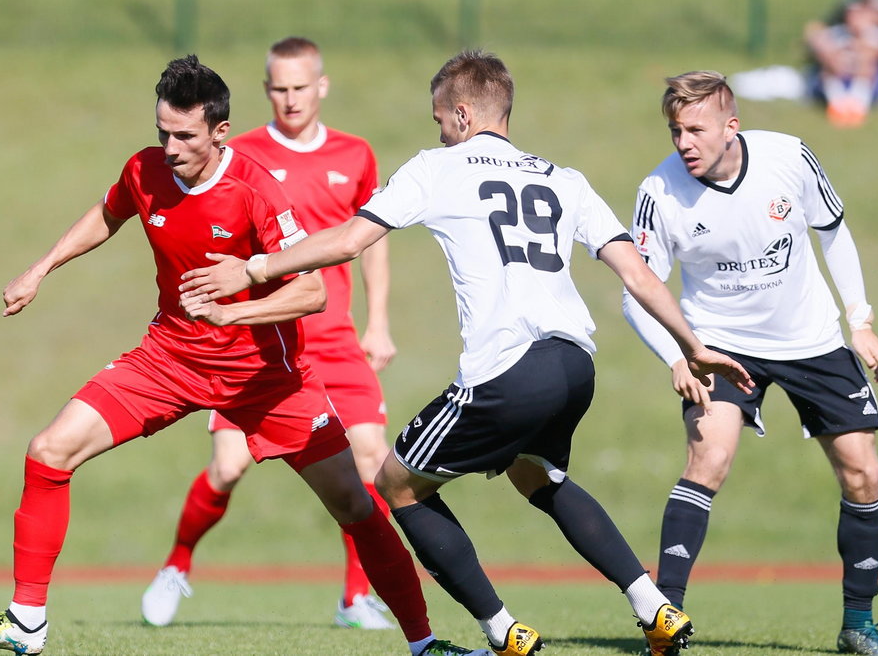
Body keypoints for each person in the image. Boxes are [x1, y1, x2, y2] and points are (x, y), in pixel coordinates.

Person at [181, 49, 754, 656]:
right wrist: (693, 346)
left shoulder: (439, 167)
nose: (439, 132)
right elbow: (637, 275)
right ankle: (654, 607)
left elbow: (350, 240)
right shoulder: (566, 178)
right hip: (574, 363)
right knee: (537, 474)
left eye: (439, 121)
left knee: (396, 484)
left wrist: (256, 266)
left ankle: (502, 631)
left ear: (460, 114)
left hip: (507, 369)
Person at [0, 54, 487, 656]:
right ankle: (26, 626)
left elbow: (311, 291)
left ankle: (423, 643)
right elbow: (108, 212)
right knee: (49, 451)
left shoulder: (255, 189)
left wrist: (234, 309)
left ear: (219, 130)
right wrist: (40, 269)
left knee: (358, 501)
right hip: (167, 359)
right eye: (162, 132)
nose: (169, 147)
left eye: (184, 135)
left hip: (266, 379)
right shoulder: (144, 170)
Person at [622, 71, 878, 656]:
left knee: (863, 472)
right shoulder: (660, 190)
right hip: (719, 346)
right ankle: (664, 624)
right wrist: (678, 354)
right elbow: (637, 288)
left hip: (810, 339)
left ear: (732, 125)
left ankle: (859, 624)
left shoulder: (789, 157)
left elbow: (833, 233)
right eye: (675, 130)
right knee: (709, 458)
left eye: (696, 129)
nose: (684, 143)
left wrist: (862, 320)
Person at [140, 36, 400, 631]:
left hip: (333, 334)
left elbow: (371, 244)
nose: (290, 99)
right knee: (228, 466)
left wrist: (377, 321)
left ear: (322, 86)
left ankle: (354, 597)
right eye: (278, 89)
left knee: (369, 457)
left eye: (300, 87)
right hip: (259, 341)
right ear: (264, 92)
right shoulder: (238, 152)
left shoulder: (356, 154)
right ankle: (177, 564)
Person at [804, 0, 878, 127]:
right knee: (829, 51)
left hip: (872, 50)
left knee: (866, 53)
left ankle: (858, 105)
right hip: (846, 45)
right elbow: (827, 24)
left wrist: (876, 23)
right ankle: (838, 104)